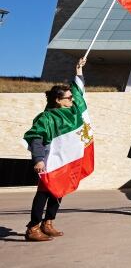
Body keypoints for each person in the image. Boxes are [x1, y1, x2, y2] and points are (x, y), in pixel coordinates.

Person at [22, 57, 86, 241]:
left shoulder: (72, 114)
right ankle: (33, 228)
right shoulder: (46, 118)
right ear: (58, 100)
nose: (73, 100)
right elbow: (36, 138)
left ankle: (48, 222)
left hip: (64, 162)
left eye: (72, 97)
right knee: (43, 194)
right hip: (49, 162)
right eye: (68, 98)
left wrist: (79, 72)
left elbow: (80, 94)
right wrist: (39, 159)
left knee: (59, 192)